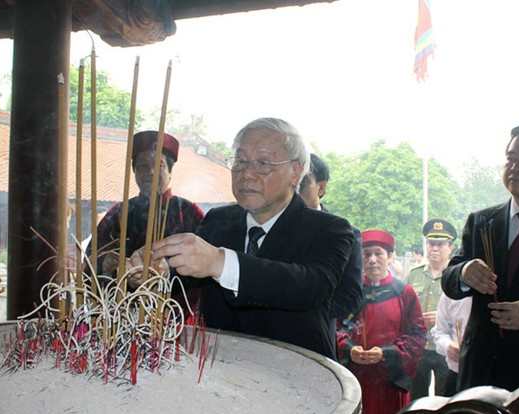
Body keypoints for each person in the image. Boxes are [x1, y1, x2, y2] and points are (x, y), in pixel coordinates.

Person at [130, 117, 354, 360]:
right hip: (219, 368)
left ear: (295, 171)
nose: (246, 174)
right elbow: (185, 281)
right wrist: (159, 272)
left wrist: (220, 262)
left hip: (294, 373)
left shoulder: (330, 228)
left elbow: (310, 286)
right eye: (240, 162)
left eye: (263, 163)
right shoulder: (218, 219)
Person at [442, 125, 519, 392]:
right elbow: (449, 279)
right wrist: (464, 272)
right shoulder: (481, 221)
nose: (516, 167)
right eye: (511, 159)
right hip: (479, 371)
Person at [336, 229, 426, 414]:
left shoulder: (404, 293)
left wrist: (386, 354)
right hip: (357, 381)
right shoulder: (352, 292)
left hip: (388, 383)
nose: (372, 260)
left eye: (379, 253)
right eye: (366, 254)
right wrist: (349, 349)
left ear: (391, 257)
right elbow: (336, 328)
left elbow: (417, 335)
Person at [91, 130, 205, 276]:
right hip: (123, 298)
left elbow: (205, 263)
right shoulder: (118, 213)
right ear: (135, 172)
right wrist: (104, 264)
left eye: (159, 166)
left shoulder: (189, 212)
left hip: (175, 297)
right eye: (143, 166)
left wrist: (168, 271)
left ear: (170, 172)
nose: (151, 171)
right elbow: (91, 260)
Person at [299, 153, 364, 360]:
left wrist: (306, 312)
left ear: (321, 187)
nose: (295, 190)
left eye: (303, 182)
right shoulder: (270, 227)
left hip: (315, 340)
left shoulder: (344, 233)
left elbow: (351, 295)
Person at [406, 218, 457, 399]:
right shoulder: (414, 274)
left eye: (440, 244)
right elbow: (405, 307)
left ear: (450, 247)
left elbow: (464, 312)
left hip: (446, 349)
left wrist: (441, 318)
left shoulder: (456, 275)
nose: (434, 248)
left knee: (445, 399)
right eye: (430, 243)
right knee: (417, 399)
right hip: (419, 347)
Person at [431, 293, 472, 396]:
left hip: (492, 378)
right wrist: (448, 346)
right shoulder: (452, 293)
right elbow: (439, 331)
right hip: (456, 374)